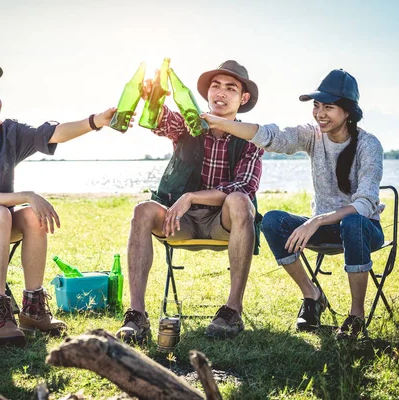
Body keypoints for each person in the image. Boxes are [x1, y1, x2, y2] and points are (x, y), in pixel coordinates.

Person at [0, 65, 121, 346]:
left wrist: (96, 121)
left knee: (32, 217)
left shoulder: (9, 133)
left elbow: (52, 133)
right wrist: (27, 194)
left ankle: (33, 308)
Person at [200, 69, 384, 339]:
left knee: (353, 220)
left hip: (363, 230)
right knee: (272, 220)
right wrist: (219, 122)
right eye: (316, 106)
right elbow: (271, 137)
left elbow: (366, 203)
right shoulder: (312, 135)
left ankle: (356, 317)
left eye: (328, 107)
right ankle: (312, 296)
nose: (319, 113)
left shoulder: (369, 145)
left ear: (348, 112)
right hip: (322, 229)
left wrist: (317, 219)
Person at [116, 60, 264, 343]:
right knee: (142, 210)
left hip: (223, 223)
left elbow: (245, 185)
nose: (220, 93)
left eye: (230, 88)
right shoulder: (190, 121)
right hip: (180, 221)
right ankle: (137, 315)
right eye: (215, 86)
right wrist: (153, 98)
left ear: (243, 98)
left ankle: (232, 311)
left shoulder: (251, 138)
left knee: (241, 201)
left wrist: (192, 196)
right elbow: (160, 120)